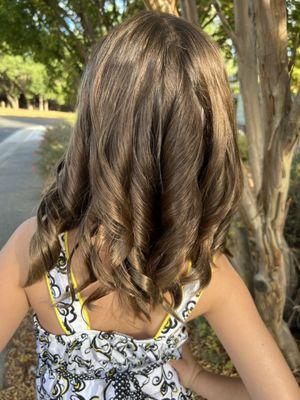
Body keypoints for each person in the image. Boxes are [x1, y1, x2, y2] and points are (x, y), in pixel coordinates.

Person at [0, 9, 299, 400]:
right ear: (209, 149)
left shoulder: (37, 251)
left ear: (95, 123)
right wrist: (196, 379)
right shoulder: (206, 274)